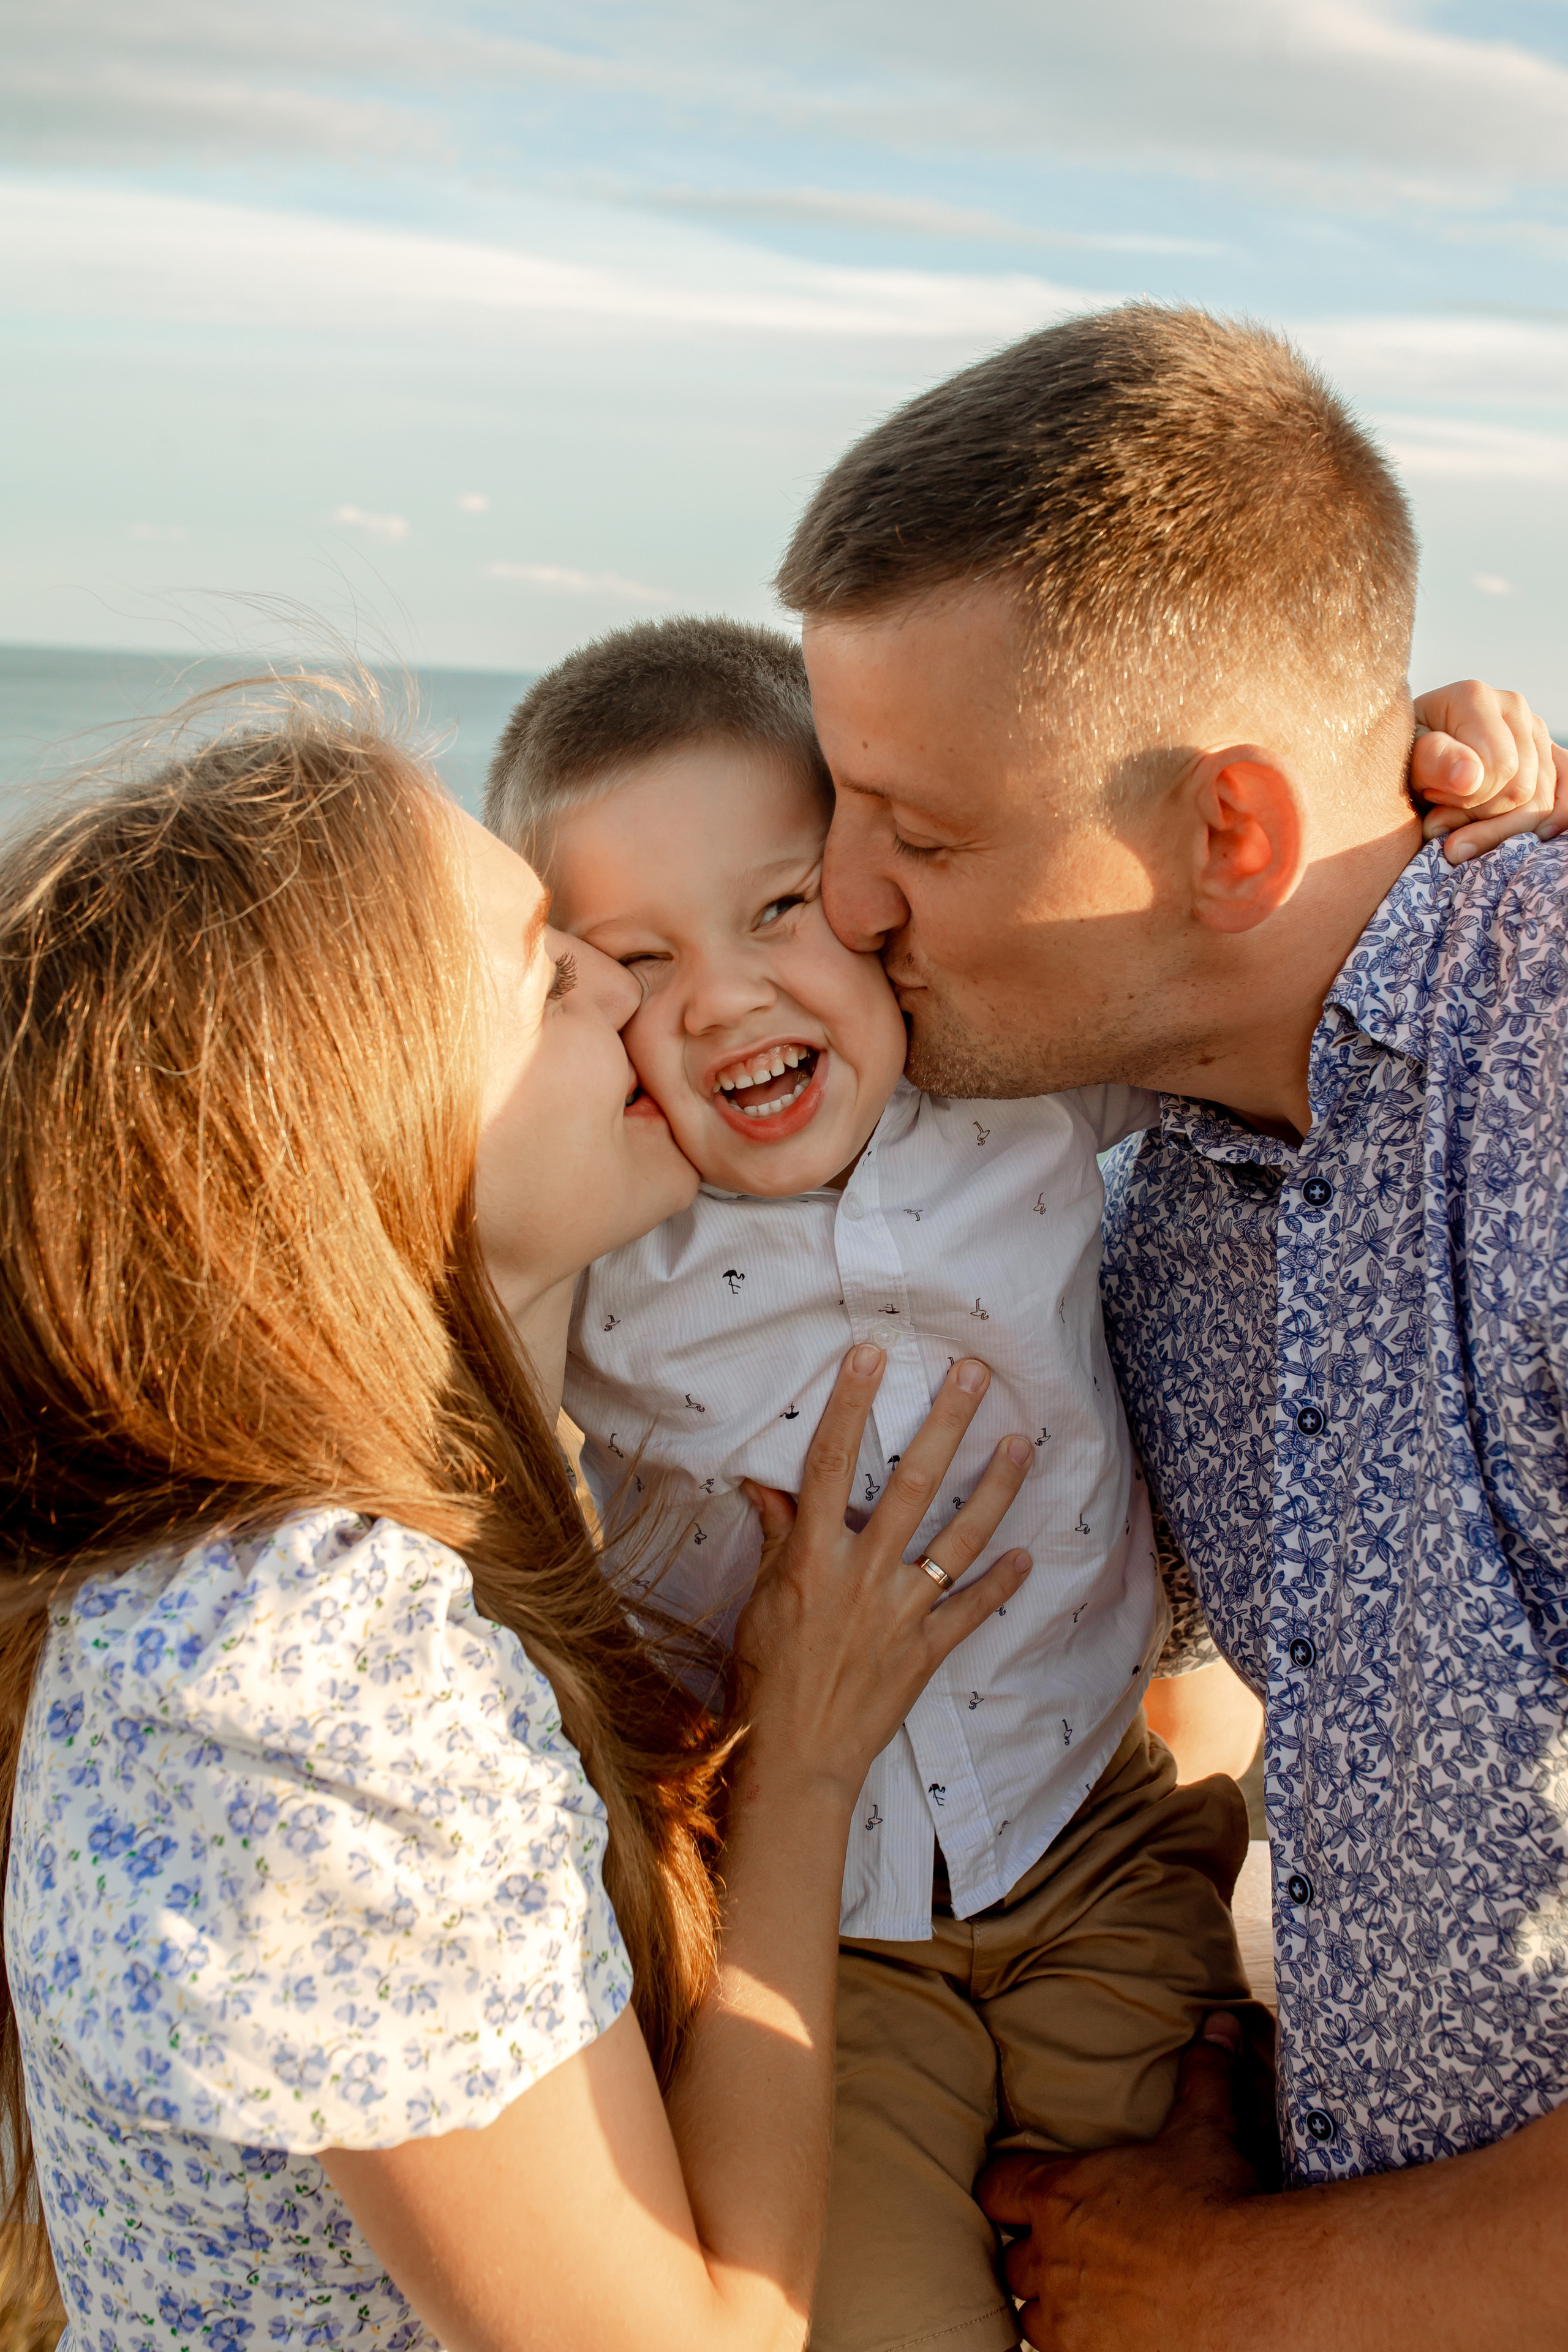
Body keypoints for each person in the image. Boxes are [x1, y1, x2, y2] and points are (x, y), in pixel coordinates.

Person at [0, 694, 1038, 2352]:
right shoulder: (321, 1689)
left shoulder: (286, 1569)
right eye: (554, 974)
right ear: (360, 1146)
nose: (632, 993)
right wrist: (805, 1763)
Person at [776, 301, 1568, 2346]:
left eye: (922, 835)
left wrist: (1242, 2286)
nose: (846, 901)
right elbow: (1191, 1684)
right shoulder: (1146, 1206)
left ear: (1232, 836)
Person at [484, 613, 1263, 2352]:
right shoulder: (606, 1240)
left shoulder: (1022, 1089)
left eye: (778, 908)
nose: (725, 996)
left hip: (1093, 1845)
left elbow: (1234, 950)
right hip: (807, 1929)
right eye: (639, 962)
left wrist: (1448, 762)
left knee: (1195, 2276)